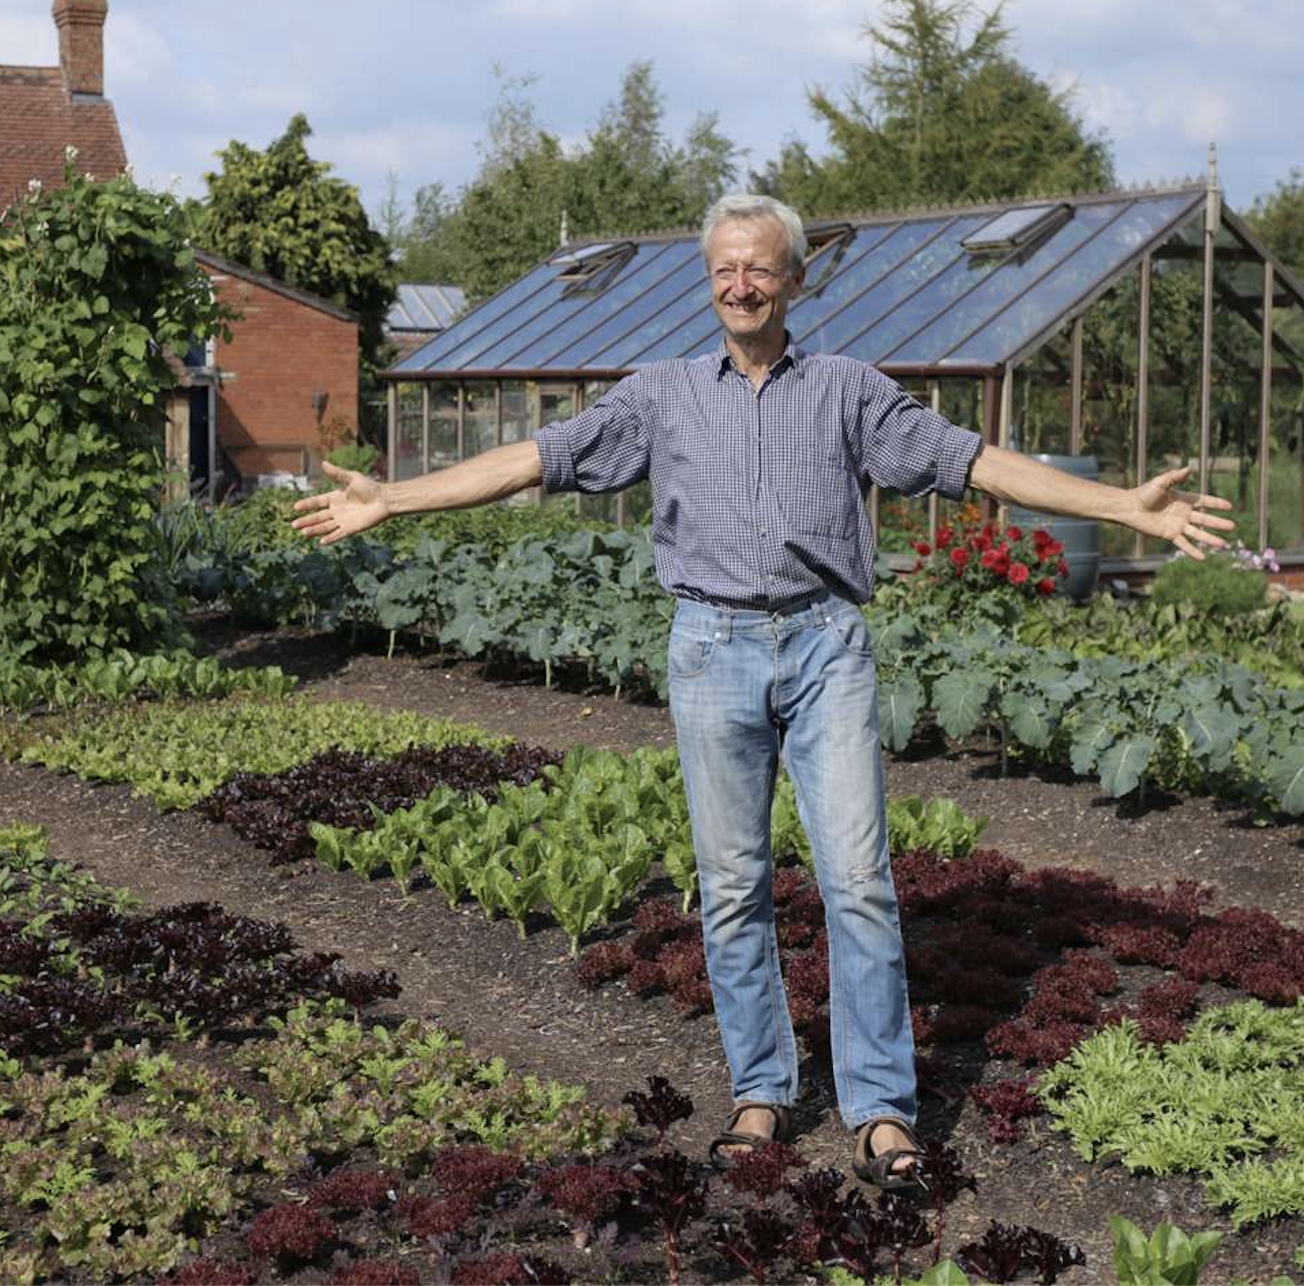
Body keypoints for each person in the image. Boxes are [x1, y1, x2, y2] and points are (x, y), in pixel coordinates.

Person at [291, 193, 1233, 1188]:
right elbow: (539, 457)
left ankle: (877, 1109)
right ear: (709, 283)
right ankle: (760, 1090)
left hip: (825, 647)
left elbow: (975, 463)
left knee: (858, 884)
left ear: (793, 280)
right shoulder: (659, 394)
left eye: (759, 268)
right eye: (723, 270)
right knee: (733, 885)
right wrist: (391, 494)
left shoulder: (846, 390)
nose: (740, 285)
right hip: (710, 648)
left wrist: (1119, 504)